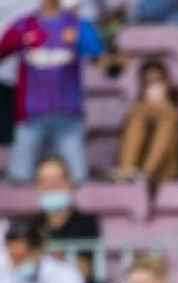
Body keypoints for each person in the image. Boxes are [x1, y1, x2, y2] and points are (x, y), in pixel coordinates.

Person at [0, 0, 104, 183]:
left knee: (78, 177)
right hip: (31, 114)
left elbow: (101, 56)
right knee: (20, 178)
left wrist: (110, 59)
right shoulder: (24, 25)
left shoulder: (77, 25)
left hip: (68, 114)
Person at [112, 59, 178, 188]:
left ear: (167, 82)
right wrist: (143, 109)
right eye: (148, 83)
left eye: (158, 81)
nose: (153, 86)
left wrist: (166, 108)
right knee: (137, 119)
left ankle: (145, 174)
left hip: (165, 171)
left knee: (168, 122)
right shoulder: (136, 114)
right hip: (136, 168)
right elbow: (124, 137)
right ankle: (127, 171)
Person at [27, 155, 98, 244]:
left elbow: (89, 257)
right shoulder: (30, 225)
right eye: (45, 180)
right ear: (38, 186)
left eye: (58, 179)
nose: (52, 185)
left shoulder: (87, 224)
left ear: (70, 182)